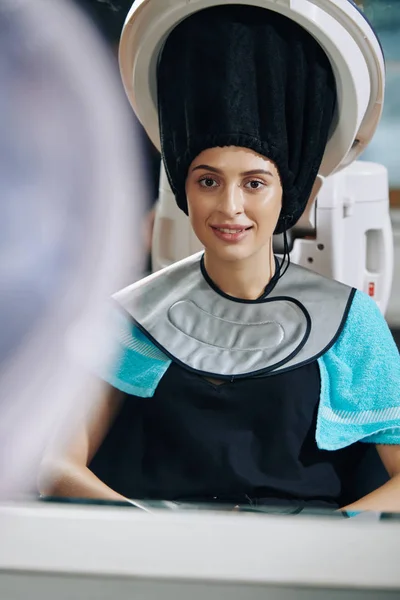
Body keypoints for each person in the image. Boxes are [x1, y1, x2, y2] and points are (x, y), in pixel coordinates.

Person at [40, 4, 400, 512]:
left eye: (255, 183)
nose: (230, 206)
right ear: (183, 189)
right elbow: (56, 467)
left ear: (292, 196)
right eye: (208, 180)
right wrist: (156, 532)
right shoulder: (133, 316)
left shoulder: (349, 323)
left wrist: (327, 537)